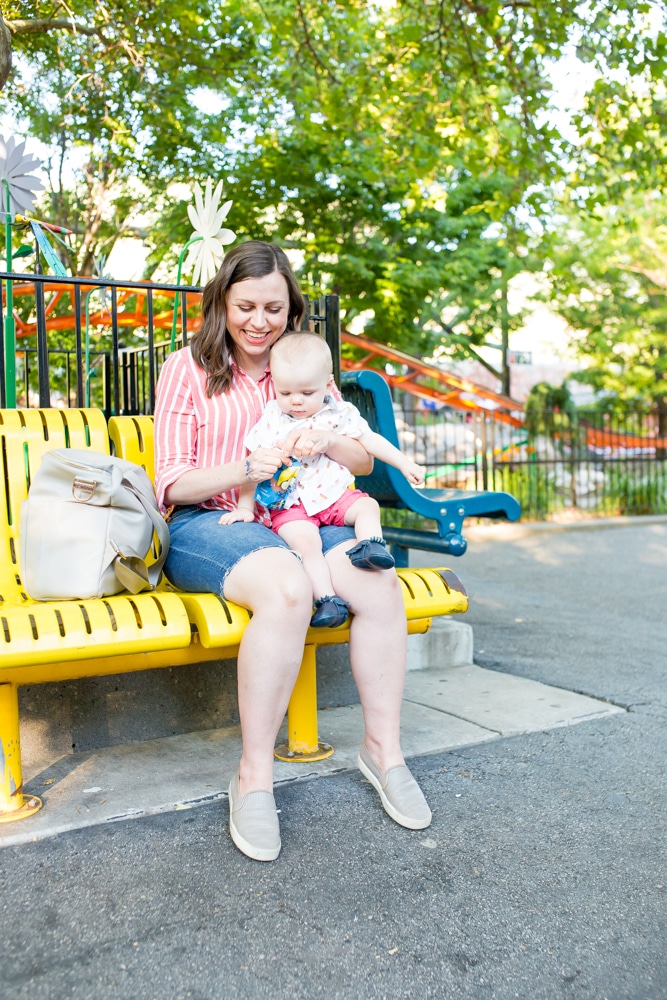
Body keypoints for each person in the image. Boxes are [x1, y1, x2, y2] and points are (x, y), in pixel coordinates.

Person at [154, 240, 432, 863]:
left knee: (378, 583)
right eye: (246, 305)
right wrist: (244, 471)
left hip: (299, 515)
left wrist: (325, 439)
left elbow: (361, 459)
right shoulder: (188, 369)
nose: (259, 321)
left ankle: (383, 752)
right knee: (288, 589)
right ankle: (253, 774)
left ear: (291, 308)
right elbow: (168, 482)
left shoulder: (306, 369)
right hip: (214, 523)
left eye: (273, 308)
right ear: (222, 302)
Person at [219, 332, 425, 629]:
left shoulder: (339, 414)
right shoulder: (273, 418)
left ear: (328, 384)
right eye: (285, 393)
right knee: (306, 547)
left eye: (306, 392)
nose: (296, 401)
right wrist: (245, 507)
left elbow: (370, 440)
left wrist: (405, 463)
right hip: (292, 504)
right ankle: (328, 600)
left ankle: (370, 546)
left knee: (367, 507)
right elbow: (255, 464)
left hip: (334, 495)